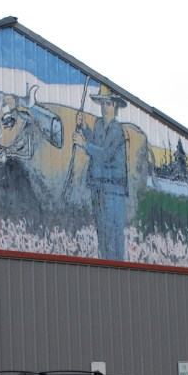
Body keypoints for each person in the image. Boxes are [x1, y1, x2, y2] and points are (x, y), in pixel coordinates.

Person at [73, 83, 129, 260]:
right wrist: (84, 128)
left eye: (108, 104)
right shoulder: (98, 125)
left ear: (115, 107)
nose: (105, 108)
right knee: (102, 231)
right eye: (103, 104)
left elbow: (105, 154)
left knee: (113, 233)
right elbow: (97, 144)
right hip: (98, 187)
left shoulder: (117, 130)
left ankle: (117, 267)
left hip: (114, 191)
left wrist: (84, 144)